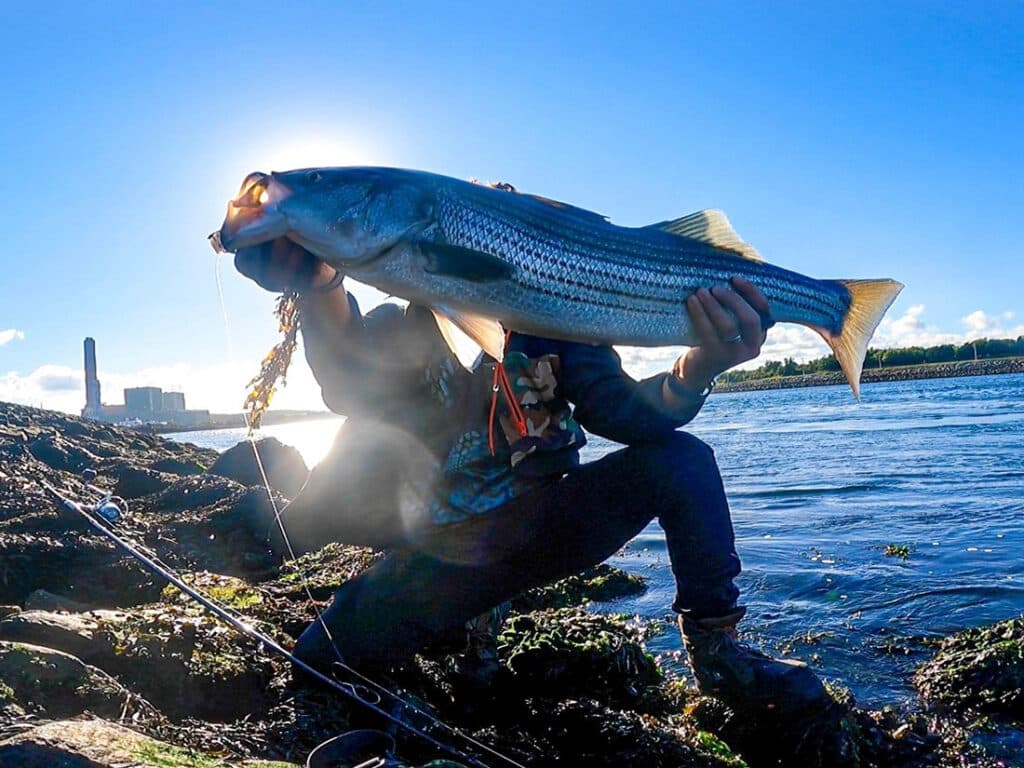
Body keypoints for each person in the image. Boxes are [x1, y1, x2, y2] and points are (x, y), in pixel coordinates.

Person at [233, 233, 829, 714]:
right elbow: (347, 378)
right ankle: (459, 635)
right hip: (432, 557)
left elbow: (629, 415)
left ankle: (716, 649)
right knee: (317, 663)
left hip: (532, 531)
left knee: (683, 460)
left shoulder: (559, 322)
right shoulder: (402, 325)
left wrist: (699, 367)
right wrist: (320, 284)